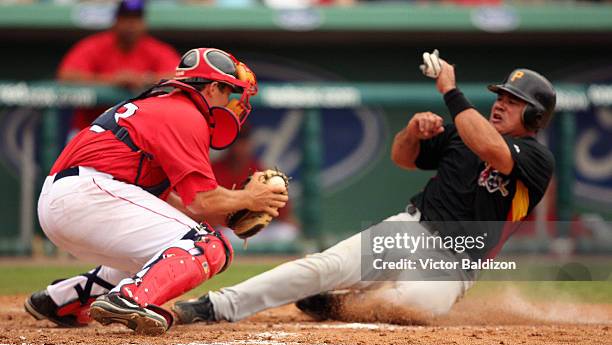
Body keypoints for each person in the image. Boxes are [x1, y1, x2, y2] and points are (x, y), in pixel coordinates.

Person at [172, 51, 556, 324]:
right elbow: (402, 158)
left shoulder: (537, 160)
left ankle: (340, 305)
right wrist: (412, 130)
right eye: (501, 97)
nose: (501, 104)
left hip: (454, 264)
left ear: (535, 116)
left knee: (411, 307)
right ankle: (215, 306)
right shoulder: (462, 135)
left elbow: (491, 148)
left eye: (514, 101)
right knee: (321, 266)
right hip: (409, 230)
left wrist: (450, 92)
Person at [24, 47, 288, 336]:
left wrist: (229, 214)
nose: (232, 103)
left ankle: (62, 299)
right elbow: (202, 201)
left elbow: (176, 202)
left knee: (161, 256)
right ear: (212, 88)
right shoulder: (186, 115)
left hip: (72, 198)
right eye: (229, 92)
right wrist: (250, 198)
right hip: (88, 194)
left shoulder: (166, 106)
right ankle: (130, 299)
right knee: (208, 245)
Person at [57, 0, 180, 134]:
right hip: (92, 130)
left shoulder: (155, 49)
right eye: (125, 19)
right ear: (115, 21)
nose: (131, 25)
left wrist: (144, 79)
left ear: (143, 23)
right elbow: (67, 75)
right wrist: (113, 80)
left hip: (141, 133)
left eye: (136, 19)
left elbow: (179, 76)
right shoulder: (96, 45)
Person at [212, 127, 299, 245]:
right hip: (231, 229)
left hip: (260, 231)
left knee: (287, 233)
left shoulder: (259, 170)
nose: (240, 146)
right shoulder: (215, 170)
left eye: (244, 141)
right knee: (223, 234)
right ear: (229, 144)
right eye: (237, 141)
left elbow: (283, 212)